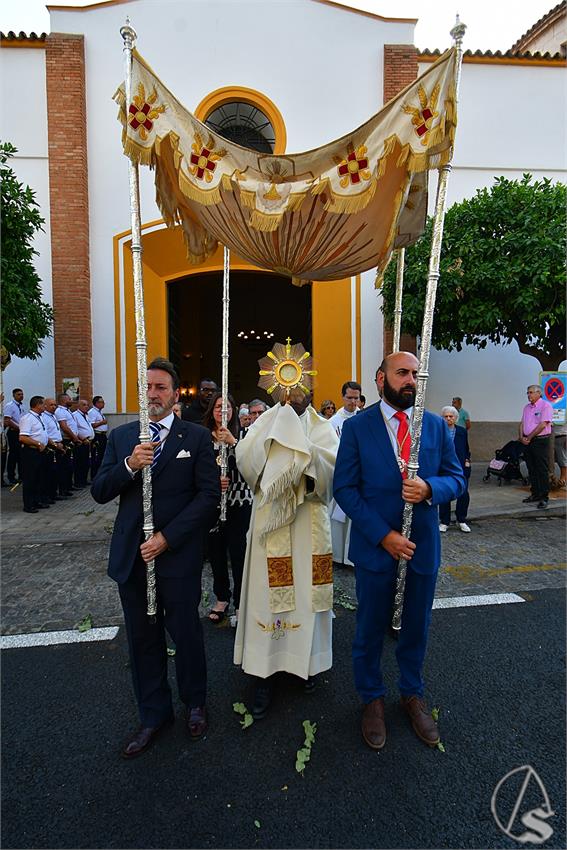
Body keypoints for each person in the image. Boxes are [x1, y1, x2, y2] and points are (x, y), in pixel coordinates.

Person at [333, 352, 464, 750]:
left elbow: (456, 478)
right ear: (380, 378)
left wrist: (429, 489)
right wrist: (382, 535)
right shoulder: (357, 428)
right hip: (377, 551)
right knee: (370, 628)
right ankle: (371, 698)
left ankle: (412, 692)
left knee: (416, 626)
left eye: (415, 374)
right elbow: (345, 489)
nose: (411, 380)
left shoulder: (437, 428)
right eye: (402, 373)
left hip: (422, 548)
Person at [91, 357, 220, 758]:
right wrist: (131, 464)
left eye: (161, 387)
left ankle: (194, 703)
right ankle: (153, 714)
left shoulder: (195, 438)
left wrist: (167, 537)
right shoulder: (122, 436)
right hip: (134, 558)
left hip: (176, 557)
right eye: (146, 387)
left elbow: (208, 499)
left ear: (175, 392)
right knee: (143, 641)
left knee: (186, 634)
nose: (152, 394)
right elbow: (99, 490)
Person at [234, 388, 339, 719]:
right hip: (272, 524)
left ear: (311, 387)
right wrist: (277, 450)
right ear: (277, 386)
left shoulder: (322, 426)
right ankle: (264, 672)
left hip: (308, 522)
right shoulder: (264, 421)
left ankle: (304, 664)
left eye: (303, 384)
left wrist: (301, 455)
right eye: (289, 386)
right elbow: (246, 462)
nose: (296, 392)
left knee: (307, 598)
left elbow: (334, 470)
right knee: (268, 596)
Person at [203, 392, 253, 625]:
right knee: (216, 552)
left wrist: (233, 442)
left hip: (239, 502)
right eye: (218, 406)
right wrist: (214, 481)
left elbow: (253, 464)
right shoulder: (201, 437)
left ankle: (241, 602)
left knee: (239, 553)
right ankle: (221, 597)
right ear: (211, 410)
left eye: (228, 406)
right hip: (212, 504)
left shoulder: (244, 434)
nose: (223, 411)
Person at [329, 381, 361, 568]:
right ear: (342, 397)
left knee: (354, 518)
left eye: (356, 398)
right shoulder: (332, 422)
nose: (353, 402)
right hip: (339, 474)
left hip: (359, 476)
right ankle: (337, 555)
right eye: (349, 398)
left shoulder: (364, 419)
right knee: (337, 518)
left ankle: (352, 556)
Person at [438, 405, 471, 533]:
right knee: (445, 493)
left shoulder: (462, 431)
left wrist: (467, 460)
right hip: (444, 466)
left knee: (463, 493)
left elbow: (466, 448)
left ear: (456, 418)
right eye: (445, 417)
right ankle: (444, 521)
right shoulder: (439, 431)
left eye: (451, 417)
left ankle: (461, 519)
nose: (448, 419)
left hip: (460, 466)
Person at [519, 385, 553, 510]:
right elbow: (522, 423)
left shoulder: (545, 406)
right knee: (531, 468)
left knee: (541, 469)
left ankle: (544, 497)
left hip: (540, 441)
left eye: (531, 392)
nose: (529, 395)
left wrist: (530, 437)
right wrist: (521, 437)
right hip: (527, 441)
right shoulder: (526, 407)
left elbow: (543, 424)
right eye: (527, 393)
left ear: (539, 393)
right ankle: (535, 494)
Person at [18, 396, 49, 513]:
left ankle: (37, 501)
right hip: (31, 452)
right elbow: (23, 437)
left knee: (38, 478)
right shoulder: (28, 418)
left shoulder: (39, 417)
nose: (45, 407)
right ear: (38, 405)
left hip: (40, 451)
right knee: (30, 478)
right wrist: (37, 443)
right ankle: (28, 504)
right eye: (44, 404)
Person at [41, 397, 68, 502]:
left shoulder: (53, 416)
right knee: (49, 472)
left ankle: (54, 493)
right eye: (51, 405)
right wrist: (55, 444)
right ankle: (48, 494)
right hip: (50, 446)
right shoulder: (44, 417)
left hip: (58, 445)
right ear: (45, 406)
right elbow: (45, 434)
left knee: (56, 472)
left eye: (55, 405)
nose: (54, 407)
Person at [55, 393, 80, 495]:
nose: (71, 400)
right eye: (69, 399)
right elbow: (64, 427)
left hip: (71, 440)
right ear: (63, 400)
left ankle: (68, 486)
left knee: (69, 465)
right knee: (64, 466)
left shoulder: (67, 411)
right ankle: (63, 489)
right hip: (66, 440)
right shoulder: (60, 411)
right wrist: (74, 438)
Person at [4, 388, 26, 484]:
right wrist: (19, 428)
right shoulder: (10, 406)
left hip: (22, 432)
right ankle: (11, 476)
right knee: (13, 455)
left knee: (21, 455)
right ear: (13, 395)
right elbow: (7, 420)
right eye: (18, 394)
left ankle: (21, 476)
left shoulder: (23, 405)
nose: (21, 396)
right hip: (14, 432)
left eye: (22, 394)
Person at [73, 399, 95, 487]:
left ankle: (84, 480)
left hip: (88, 442)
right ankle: (79, 482)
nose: (86, 406)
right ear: (78, 406)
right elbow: (75, 429)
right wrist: (82, 438)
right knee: (79, 463)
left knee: (86, 462)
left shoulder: (86, 415)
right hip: (81, 442)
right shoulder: (75, 415)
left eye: (87, 405)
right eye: (84, 405)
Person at [88, 396, 108, 479]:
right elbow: (92, 424)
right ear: (96, 403)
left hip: (102, 435)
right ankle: (94, 475)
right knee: (96, 456)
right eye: (101, 402)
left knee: (101, 455)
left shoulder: (99, 412)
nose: (103, 403)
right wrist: (102, 422)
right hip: (97, 436)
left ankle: (99, 474)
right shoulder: (92, 412)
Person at [552, 420, 567, 488]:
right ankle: (553, 479)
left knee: (562, 459)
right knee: (552, 459)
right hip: (551, 436)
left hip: (562, 435)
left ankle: (563, 479)